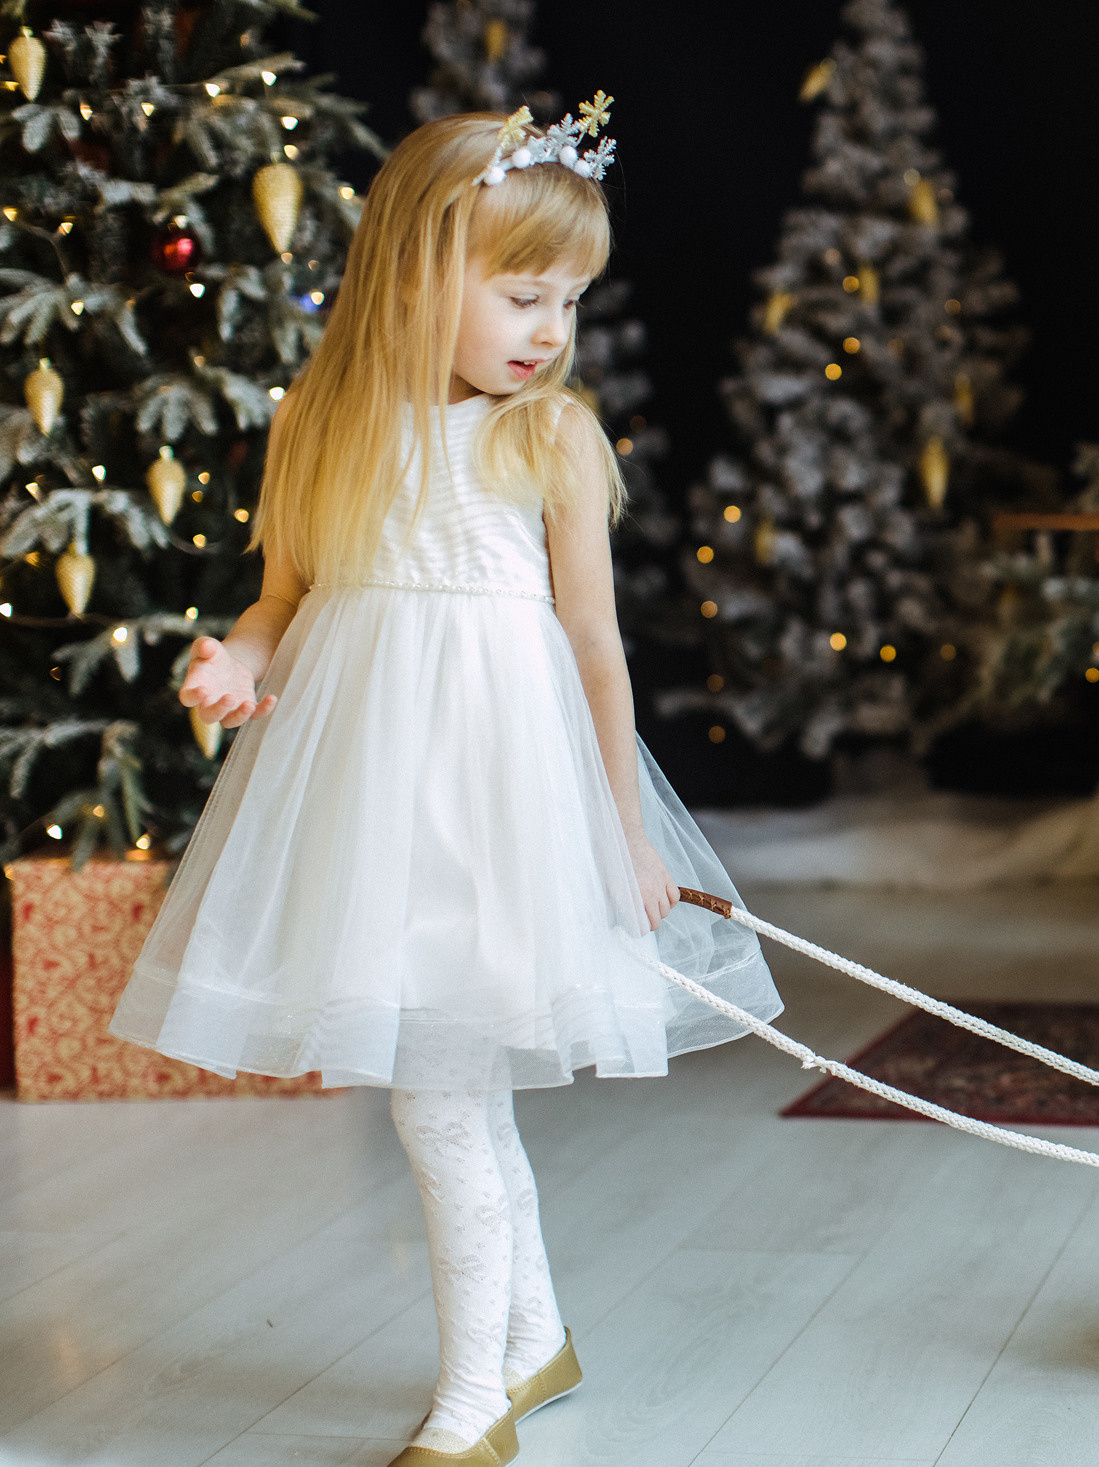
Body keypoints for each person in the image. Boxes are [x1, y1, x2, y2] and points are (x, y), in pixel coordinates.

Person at [109, 102, 780, 1467]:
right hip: (368, 808)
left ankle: (476, 1397)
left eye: (570, 302)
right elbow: (284, 600)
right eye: (523, 295)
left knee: (437, 1096)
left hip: (500, 810)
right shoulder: (321, 420)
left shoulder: (552, 437)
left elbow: (595, 650)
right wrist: (237, 663)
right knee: (454, 1095)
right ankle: (530, 1346)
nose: (551, 330)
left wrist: (620, 832)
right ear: (417, 270)